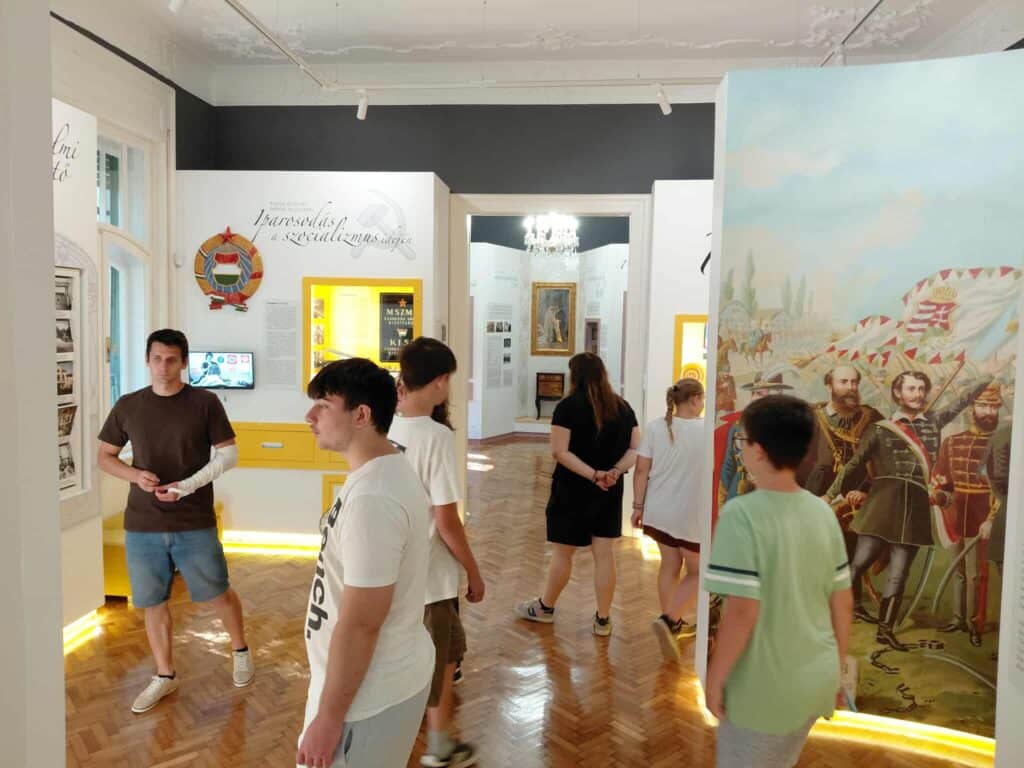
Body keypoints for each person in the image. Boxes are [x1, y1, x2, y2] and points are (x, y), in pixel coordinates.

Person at [97, 329, 251, 715]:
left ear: (183, 362)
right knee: (152, 602)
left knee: (217, 593)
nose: (163, 367)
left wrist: (187, 487)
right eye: (157, 359)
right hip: (142, 523)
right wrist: (135, 476)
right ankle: (165, 675)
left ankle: (240, 651)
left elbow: (229, 455)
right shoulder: (128, 405)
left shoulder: (205, 402)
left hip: (194, 519)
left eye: (171, 360)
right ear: (146, 360)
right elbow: (105, 457)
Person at [297, 358, 434, 768]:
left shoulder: (373, 498)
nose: (310, 416)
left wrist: (329, 718)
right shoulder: (377, 473)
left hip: (364, 701)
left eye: (324, 405)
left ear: (361, 415)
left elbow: (362, 622)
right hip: (357, 688)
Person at [704, 395, 853, 768]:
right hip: (815, 678)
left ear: (757, 450)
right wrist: (835, 671)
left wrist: (715, 677)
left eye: (742, 440)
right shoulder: (822, 512)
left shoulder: (740, 514)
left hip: (764, 686)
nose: (740, 448)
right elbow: (843, 602)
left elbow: (742, 611)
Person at [825, 370, 992, 649]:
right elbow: (855, 464)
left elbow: (962, 400)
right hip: (881, 505)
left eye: (921, 389)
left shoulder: (934, 421)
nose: (917, 394)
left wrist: (987, 376)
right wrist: (830, 494)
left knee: (899, 573)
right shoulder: (880, 429)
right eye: (911, 389)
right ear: (897, 394)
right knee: (858, 564)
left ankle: (885, 629)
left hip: (914, 509)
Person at [389, 337, 485, 768]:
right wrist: (474, 572)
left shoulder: (387, 428)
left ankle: (431, 740)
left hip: (395, 570)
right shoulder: (436, 437)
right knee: (440, 661)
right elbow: (447, 520)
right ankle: (436, 747)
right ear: (441, 381)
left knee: (436, 655)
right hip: (430, 577)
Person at [516, 352, 639, 636]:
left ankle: (545, 608)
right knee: (604, 554)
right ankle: (603, 619)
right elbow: (635, 448)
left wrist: (594, 475)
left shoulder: (567, 407)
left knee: (563, 553)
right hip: (609, 489)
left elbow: (560, 451)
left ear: (575, 376)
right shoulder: (622, 407)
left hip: (572, 489)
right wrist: (613, 472)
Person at [631, 378, 706, 662]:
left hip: (659, 510)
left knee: (670, 565)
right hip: (689, 514)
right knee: (699, 571)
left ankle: (671, 623)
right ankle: (670, 619)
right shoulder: (706, 430)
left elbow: (641, 470)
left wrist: (638, 506)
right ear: (695, 399)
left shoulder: (655, 427)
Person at [932, 383, 1003, 646]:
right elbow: (943, 482)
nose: (988, 412)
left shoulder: (1001, 443)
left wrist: (991, 518)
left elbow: (1005, 489)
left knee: (976, 573)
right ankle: (958, 618)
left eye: (993, 407)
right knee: (958, 570)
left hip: (983, 512)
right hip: (956, 512)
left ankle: (976, 623)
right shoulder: (952, 442)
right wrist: (938, 495)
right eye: (983, 405)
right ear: (972, 407)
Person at [798, 366, 883, 562]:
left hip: (856, 491)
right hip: (818, 489)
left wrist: (867, 491)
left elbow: (882, 459)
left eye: (854, 382)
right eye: (843, 382)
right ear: (829, 386)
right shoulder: (812, 416)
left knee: (852, 555)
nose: (850, 387)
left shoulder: (871, 417)